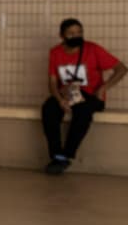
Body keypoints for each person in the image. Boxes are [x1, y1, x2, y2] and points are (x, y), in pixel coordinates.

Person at [42, 18, 125, 175]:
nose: (77, 36)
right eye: (71, 33)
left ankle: (67, 154)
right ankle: (57, 155)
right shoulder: (55, 52)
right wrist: (60, 100)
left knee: (83, 111)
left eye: (79, 32)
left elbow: (121, 69)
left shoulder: (93, 49)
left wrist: (103, 88)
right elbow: (52, 82)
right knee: (49, 109)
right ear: (62, 36)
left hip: (91, 95)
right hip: (67, 93)